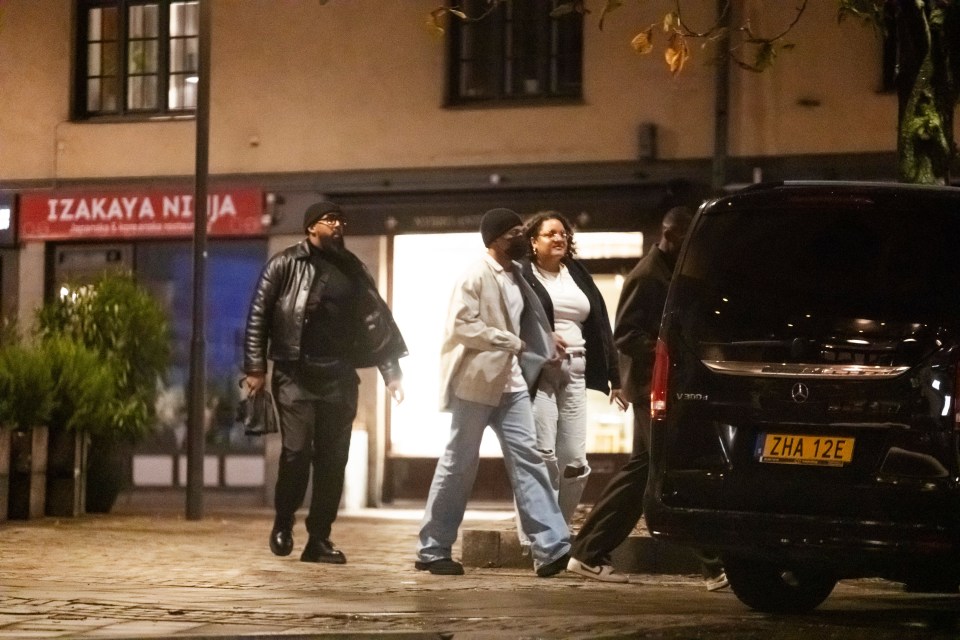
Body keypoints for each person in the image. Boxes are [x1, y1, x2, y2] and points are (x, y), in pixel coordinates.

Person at [243, 200, 407, 564]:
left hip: (339, 377)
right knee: (296, 453)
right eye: (329, 219)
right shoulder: (284, 264)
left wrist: (391, 373)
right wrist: (256, 369)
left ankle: (319, 538)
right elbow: (259, 314)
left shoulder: (352, 268)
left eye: (340, 220)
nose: (337, 225)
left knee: (333, 461)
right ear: (310, 227)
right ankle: (283, 521)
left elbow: (375, 324)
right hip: (295, 374)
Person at [415, 207, 572, 577]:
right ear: (497, 239)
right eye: (515, 232)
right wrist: (509, 341)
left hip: (512, 383)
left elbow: (528, 321)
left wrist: (545, 343)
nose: (521, 237)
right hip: (475, 383)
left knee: (529, 460)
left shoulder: (517, 274)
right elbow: (461, 326)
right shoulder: (475, 275)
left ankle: (551, 547)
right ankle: (433, 548)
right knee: (459, 464)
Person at [566, 206, 696, 583]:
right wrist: (663, 349)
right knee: (654, 466)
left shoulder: (668, 271)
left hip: (657, 386)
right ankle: (712, 564)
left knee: (646, 470)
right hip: (647, 387)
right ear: (670, 236)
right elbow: (625, 333)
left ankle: (588, 551)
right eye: (686, 240)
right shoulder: (648, 276)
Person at [516, 212, 627, 540]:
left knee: (575, 461)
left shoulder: (577, 273)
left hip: (576, 373)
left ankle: (558, 529)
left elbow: (601, 326)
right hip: (539, 377)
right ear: (533, 241)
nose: (559, 238)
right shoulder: (524, 275)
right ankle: (538, 532)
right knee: (543, 456)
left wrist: (615, 378)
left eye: (563, 233)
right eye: (550, 234)